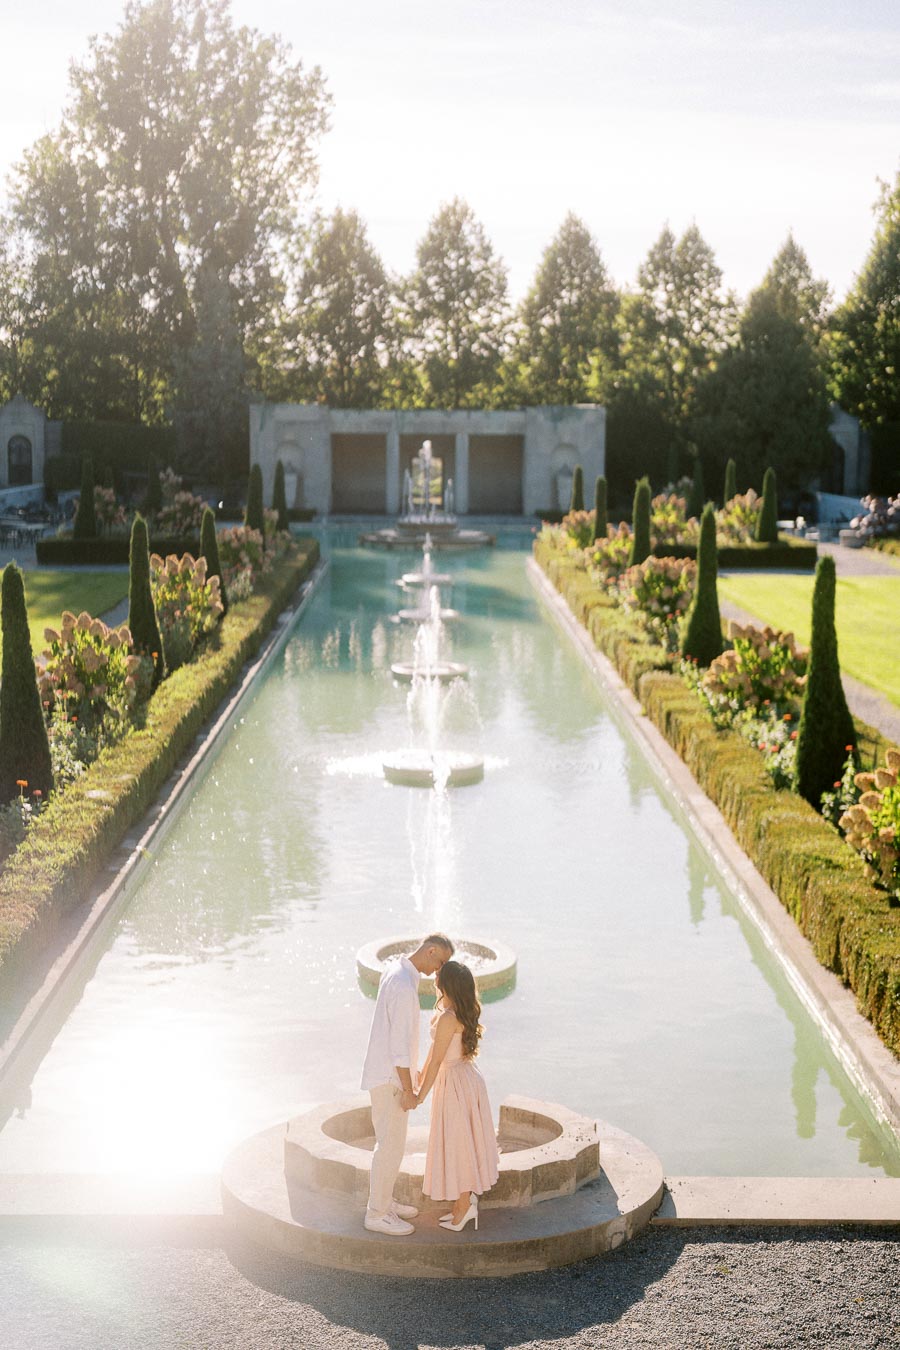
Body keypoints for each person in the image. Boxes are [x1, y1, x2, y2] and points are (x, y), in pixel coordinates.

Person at [359, 933, 454, 1235]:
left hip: (385, 1074)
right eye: (440, 962)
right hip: (391, 1079)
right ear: (431, 951)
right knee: (389, 1147)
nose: (439, 971)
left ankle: (385, 1201)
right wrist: (409, 1090)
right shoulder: (402, 985)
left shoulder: (397, 973)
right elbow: (399, 1047)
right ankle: (376, 1214)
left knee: (390, 1145)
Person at [416, 959, 499, 1231]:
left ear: (446, 984)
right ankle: (463, 1204)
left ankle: (464, 1207)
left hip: (453, 1082)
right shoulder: (456, 1011)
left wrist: (419, 1096)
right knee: (463, 1139)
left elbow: (439, 1059)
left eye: (440, 972)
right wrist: (420, 1073)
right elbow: (433, 1054)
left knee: (458, 1143)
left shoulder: (447, 1017)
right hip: (467, 1078)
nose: (435, 973)